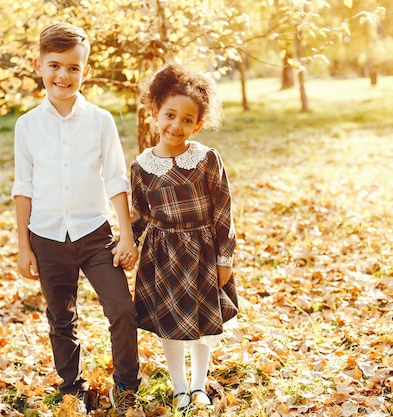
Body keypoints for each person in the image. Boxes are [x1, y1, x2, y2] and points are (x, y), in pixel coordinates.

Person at [11, 22, 143, 416]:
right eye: (54, 66)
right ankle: (72, 385)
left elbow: (116, 177)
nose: (63, 75)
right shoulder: (27, 125)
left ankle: (126, 383)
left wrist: (126, 236)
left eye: (72, 67)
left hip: (95, 234)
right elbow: (24, 187)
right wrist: (23, 247)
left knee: (122, 310)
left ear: (85, 71)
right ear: (39, 66)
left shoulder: (100, 120)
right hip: (47, 237)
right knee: (60, 318)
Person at [130, 64, 239, 411]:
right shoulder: (142, 167)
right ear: (154, 114)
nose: (176, 125)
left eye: (187, 120)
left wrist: (225, 258)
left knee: (203, 323)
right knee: (171, 324)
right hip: (163, 256)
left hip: (203, 252)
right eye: (170, 115)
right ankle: (178, 387)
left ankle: (198, 385)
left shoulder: (206, 159)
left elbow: (223, 209)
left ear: (198, 124)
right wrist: (126, 244)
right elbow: (139, 215)